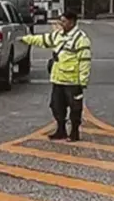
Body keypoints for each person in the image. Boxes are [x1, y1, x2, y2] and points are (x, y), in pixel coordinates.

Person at [19, 11, 92, 141]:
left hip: (72, 81)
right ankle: (61, 130)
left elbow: (84, 61)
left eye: (63, 22)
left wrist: (83, 81)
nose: (61, 24)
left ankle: (74, 132)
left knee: (75, 108)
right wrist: (25, 39)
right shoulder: (58, 35)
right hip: (58, 79)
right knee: (56, 106)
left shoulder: (81, 39)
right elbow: (43, 40)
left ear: (72, 22)